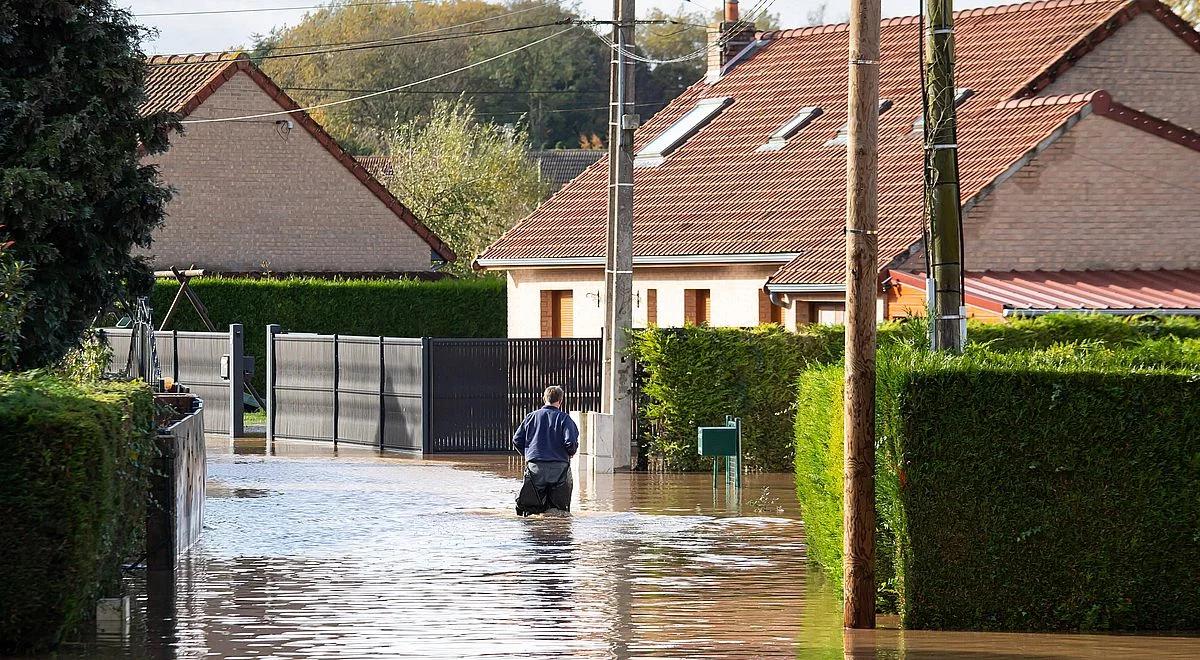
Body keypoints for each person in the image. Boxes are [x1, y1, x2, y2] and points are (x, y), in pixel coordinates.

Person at [513, 385, 579, 516]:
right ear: (560, 401)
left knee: (530, 508)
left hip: (535, 467)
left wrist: (528, 455)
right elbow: (570, 442)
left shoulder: (531, 417)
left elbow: (516, 440)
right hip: (559, 468)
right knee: (559, 510)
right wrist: (570, 453)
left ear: (544, 399)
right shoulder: (565, 419)